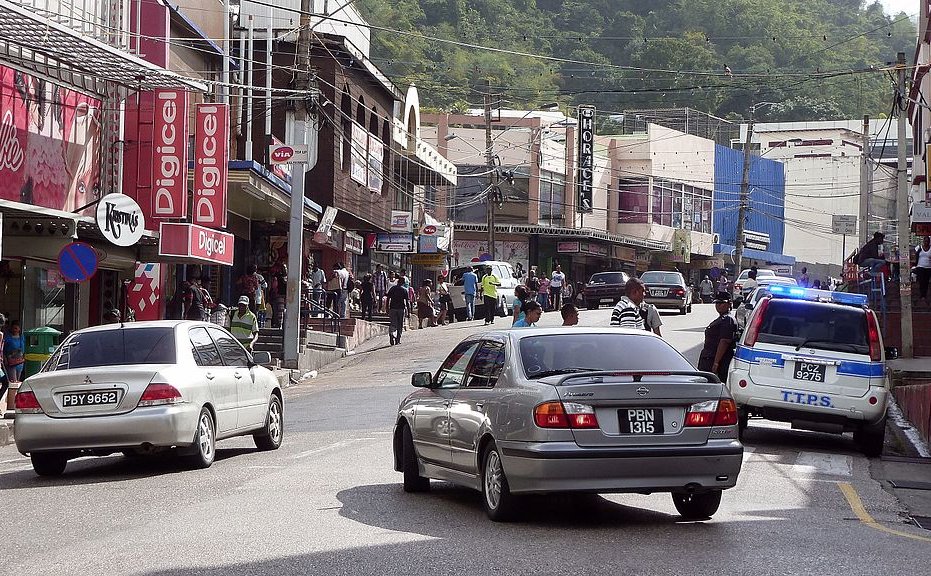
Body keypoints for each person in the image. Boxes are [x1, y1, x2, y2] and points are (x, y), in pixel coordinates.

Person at [697, 292, 738, 383]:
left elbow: (724, 342)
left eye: (721, 303)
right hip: (708, 358)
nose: (718, 306)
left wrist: (716, 363)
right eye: (717, 303)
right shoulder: (721, 319)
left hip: (716, 360)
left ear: (729, 304)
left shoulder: (728, 320)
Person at [386, 276, 410, 346]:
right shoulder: (404, 290)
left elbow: (388, 298)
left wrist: (387, 307)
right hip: (401, 308)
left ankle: (391, 333)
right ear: (403, 282)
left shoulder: (392, 288)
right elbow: (407, 301)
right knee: (400, 324)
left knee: (393, 323)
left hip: (392, 308)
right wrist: (409, 311)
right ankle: (398, 339)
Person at [5, 320, 25, 384]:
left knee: (17, 381)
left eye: (16, 328)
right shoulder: (7, 338)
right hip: (10, 362)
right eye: (13, 328)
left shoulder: (22, 337)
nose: (15, 330)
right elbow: (4, 349)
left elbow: (23, 349)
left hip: (20, 361)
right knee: (13, 382)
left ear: (19, 329)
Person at [915, 236, 931, 304]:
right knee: (921, 281)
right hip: (920, 266)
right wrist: (918, 252)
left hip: (928, 267)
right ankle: (922, 295)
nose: (926, 242)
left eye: (927, 241)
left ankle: (924, 295)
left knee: (926, 282)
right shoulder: (919, 247)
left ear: (929, 242)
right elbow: (915, 256)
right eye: (925, 241)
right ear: (923, 241)